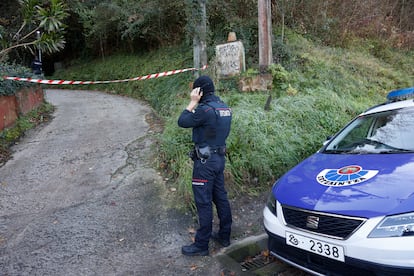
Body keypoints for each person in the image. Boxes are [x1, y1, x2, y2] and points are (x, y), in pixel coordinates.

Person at [178, 75, 233, 256]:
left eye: (195, 91)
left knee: (203, 202)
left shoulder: (204, 110)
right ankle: (224, 236)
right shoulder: (224, 107)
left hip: (205, 162)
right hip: (219, 159)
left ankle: (201, 245)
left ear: (199, 91)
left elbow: (183, 121)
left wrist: (192, 102)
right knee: (220, 197)